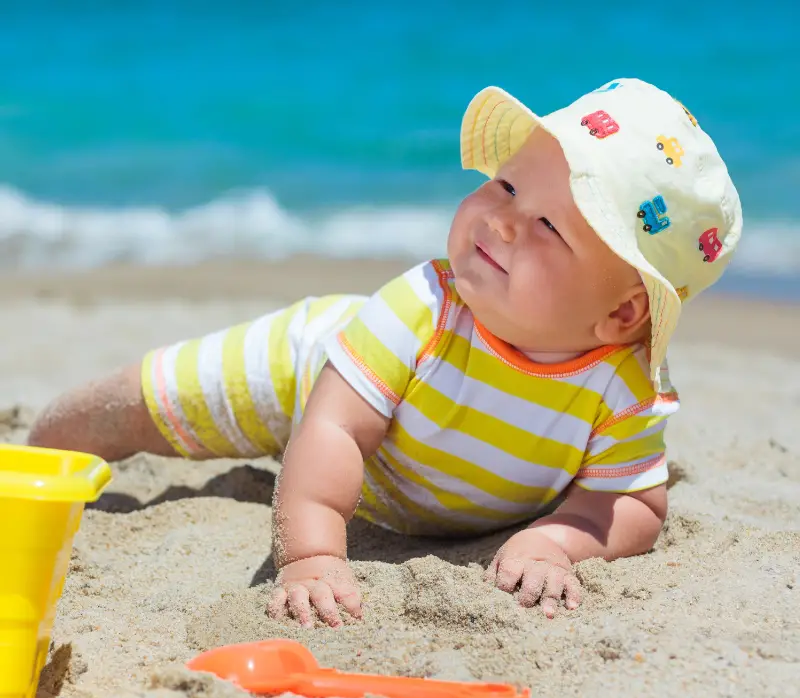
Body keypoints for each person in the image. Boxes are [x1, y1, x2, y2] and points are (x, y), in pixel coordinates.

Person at [28, 78, 742, 627]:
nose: (501, 218)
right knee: (145, 405)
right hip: (312, 370)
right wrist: (310, 556)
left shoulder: (626, 385)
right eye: (506, 184)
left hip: (401, 470)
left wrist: (561, 539)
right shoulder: (424, 308)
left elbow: (633, 503)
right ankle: (36, 447)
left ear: (620, 312)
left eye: (550, 224)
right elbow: (334, 428)